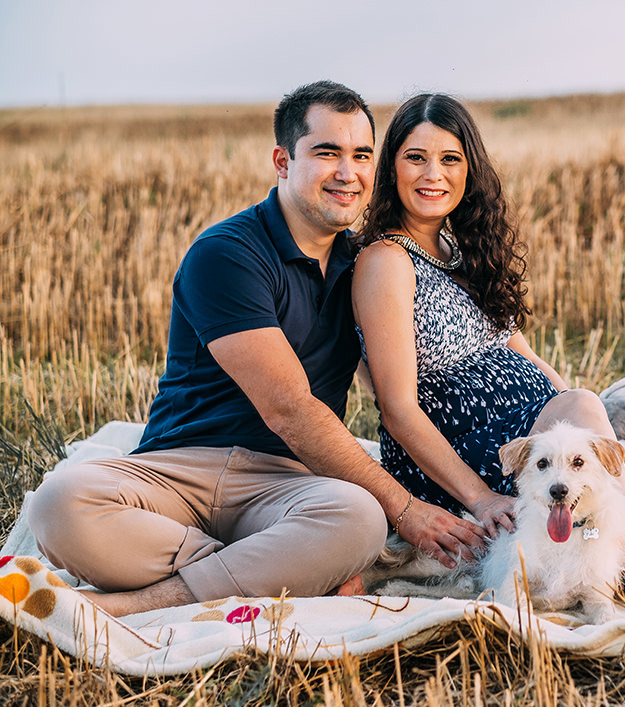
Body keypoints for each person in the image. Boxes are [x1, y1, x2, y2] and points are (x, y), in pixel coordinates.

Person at [26, 81, 485, 617]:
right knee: (59, 505)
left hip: (286, 483)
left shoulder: (366, 267)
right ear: (282, 161)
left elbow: (402, 386)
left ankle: (141, 604)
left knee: (358, 518)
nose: (348, 172)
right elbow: (288, 408)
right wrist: (405, 510)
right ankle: (260, 570)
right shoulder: (227, 253)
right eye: (327, 152)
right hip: (179, 472)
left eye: (362, 155)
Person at [352, 93, 625, 612]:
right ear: (390, 166)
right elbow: (398, 410)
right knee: (579, 414)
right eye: (415, 157)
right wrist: (481, 498)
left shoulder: (459, 252)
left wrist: (580, 414)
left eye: (450, 159)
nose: (432, 174)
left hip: (525, 426)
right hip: (457, 454)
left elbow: (524, 356)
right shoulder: (385, 261)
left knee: (593, 445)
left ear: (470, 170)